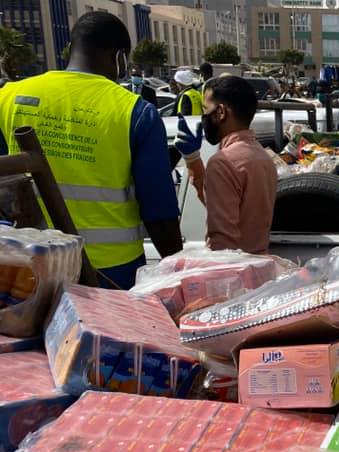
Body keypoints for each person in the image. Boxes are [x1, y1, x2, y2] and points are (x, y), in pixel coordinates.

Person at [0, 12, 182, 289]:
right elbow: (159, 213)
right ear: (120, 57)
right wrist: (180, 275)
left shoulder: (8, 97)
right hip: (112, 272)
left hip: (26, 267)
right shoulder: (134, 112)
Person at [173, 76, 277, 254]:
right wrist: (192, 160)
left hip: (235, 272)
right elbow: (226, 206)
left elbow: (222, 242)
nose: (203, 117)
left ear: (221, 112)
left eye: (205, 109)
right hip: (259, 266)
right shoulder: (263, 156)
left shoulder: (223, 162)